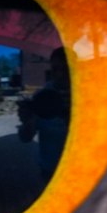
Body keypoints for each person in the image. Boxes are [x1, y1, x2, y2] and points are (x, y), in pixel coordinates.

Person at [24, 50, 71, 181]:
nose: (60, 74)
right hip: (50, 170)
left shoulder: (87, 96)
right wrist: (27, 122)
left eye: (66, 69)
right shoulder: (41, 97)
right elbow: (26, 138)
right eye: (56, 69)